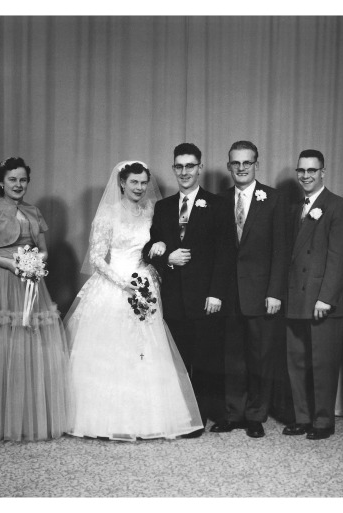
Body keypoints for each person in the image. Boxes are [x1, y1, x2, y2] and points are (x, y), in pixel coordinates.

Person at [65, 160, 203, 441]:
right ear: (121, 184)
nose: (140, 188)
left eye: (143, 182)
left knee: (145, 350)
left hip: (145, 285)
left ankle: (148, 417)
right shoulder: (108, 215)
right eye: (134, 182)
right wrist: (122, 282)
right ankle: (107, 418)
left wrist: (159, 247)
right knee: (114, 351)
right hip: (116, 286)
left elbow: (156, 243)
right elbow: (95, 258)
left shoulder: (153, 211)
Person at [0, 157, 72, 441]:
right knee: (4, 344)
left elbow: (43, 250)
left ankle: (27, 417)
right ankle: (1, 420)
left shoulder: (33, 211)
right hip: (2, 280)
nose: (18, 185)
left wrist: (34, 264)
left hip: (30, 281)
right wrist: (11, 265)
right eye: (12, 179)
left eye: (23, 180)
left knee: (29, 343)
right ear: (1, 182)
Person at [143, 143, 230, 437]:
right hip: (173, 297)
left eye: (190, 166)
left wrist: (216, 293)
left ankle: (202, 417)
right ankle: (185, 415)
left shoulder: (217, 205)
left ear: (200, 168)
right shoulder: (164, 206)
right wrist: (166, 257)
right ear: (173, 169)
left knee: (205, 358)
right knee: (179, 359)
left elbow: (225, 253)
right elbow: (149, 249)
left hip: (206, 296)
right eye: (179, 166)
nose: (184, 172)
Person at [211, 141, 287, 438]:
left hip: (261, 293)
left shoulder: (274, 198)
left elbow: (281, 249)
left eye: (247, 162)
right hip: (229, 295)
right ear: (229, 166)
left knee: (260, 356)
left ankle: (256, 415)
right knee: (232, 358)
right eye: (235, 163)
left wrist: (275, 292)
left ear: (257, 164)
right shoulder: (220, 200)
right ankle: (233, 414)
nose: (241, 168)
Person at [284, 149, 343, 440]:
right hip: (295, 299)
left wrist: (326, 298)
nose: (305, 176)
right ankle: (303, 417)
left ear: (323, 172)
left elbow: (341, 258)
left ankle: (323, 421)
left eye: (312, 170)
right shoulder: (293, 208)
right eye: (301, 170)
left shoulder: (338, 206)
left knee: (323, 363)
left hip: (321, 300)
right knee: (297, 362)